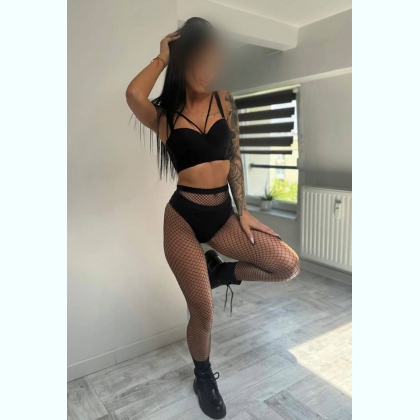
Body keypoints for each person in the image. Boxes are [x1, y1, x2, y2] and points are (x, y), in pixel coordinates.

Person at [126, 17, 300, 420]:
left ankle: (221, 272)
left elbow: (234, 157)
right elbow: (133, 93)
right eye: (202, 59)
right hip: (183, 219)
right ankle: (203, 376)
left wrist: (245, 212)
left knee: (286, 265)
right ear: (184, 58)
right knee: (203, 311)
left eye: (215, 60)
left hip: (222, 215)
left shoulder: (224, 99)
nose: (210, 69)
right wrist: (161, 55)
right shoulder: (163, 116)